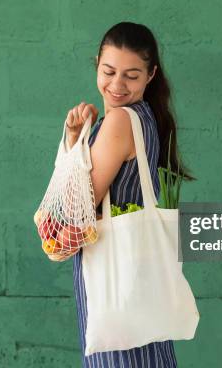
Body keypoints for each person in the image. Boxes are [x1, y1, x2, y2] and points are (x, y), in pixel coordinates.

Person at [64, 22, 196, 368]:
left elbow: (75, 207)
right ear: (96, 64)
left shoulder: (120, 122)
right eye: (108, 71)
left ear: (151, 75)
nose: (117, 85)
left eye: (131, 75)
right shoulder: (146, 117)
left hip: (116, 287)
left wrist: (73, 140)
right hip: (137, 287)